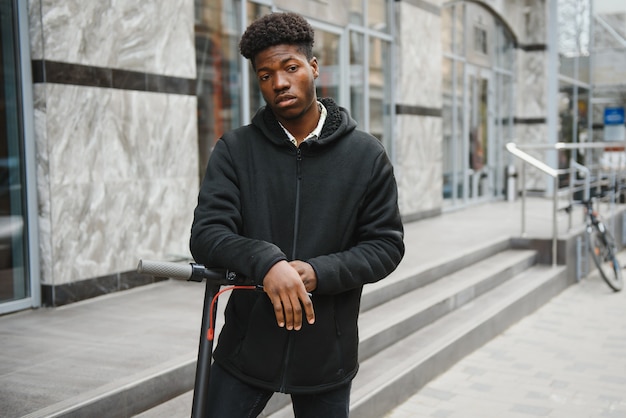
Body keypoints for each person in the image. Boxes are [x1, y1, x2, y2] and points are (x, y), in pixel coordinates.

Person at [190, 11, 404, 418]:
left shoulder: (365, 156)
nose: (279, 83)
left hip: (327, 354)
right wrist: (267, 263)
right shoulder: (235, 150)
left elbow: (385, 246)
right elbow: (206, 234)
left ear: (314, 67)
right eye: (265, 75)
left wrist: (315, 273)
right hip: (246, 350)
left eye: (290, 68)